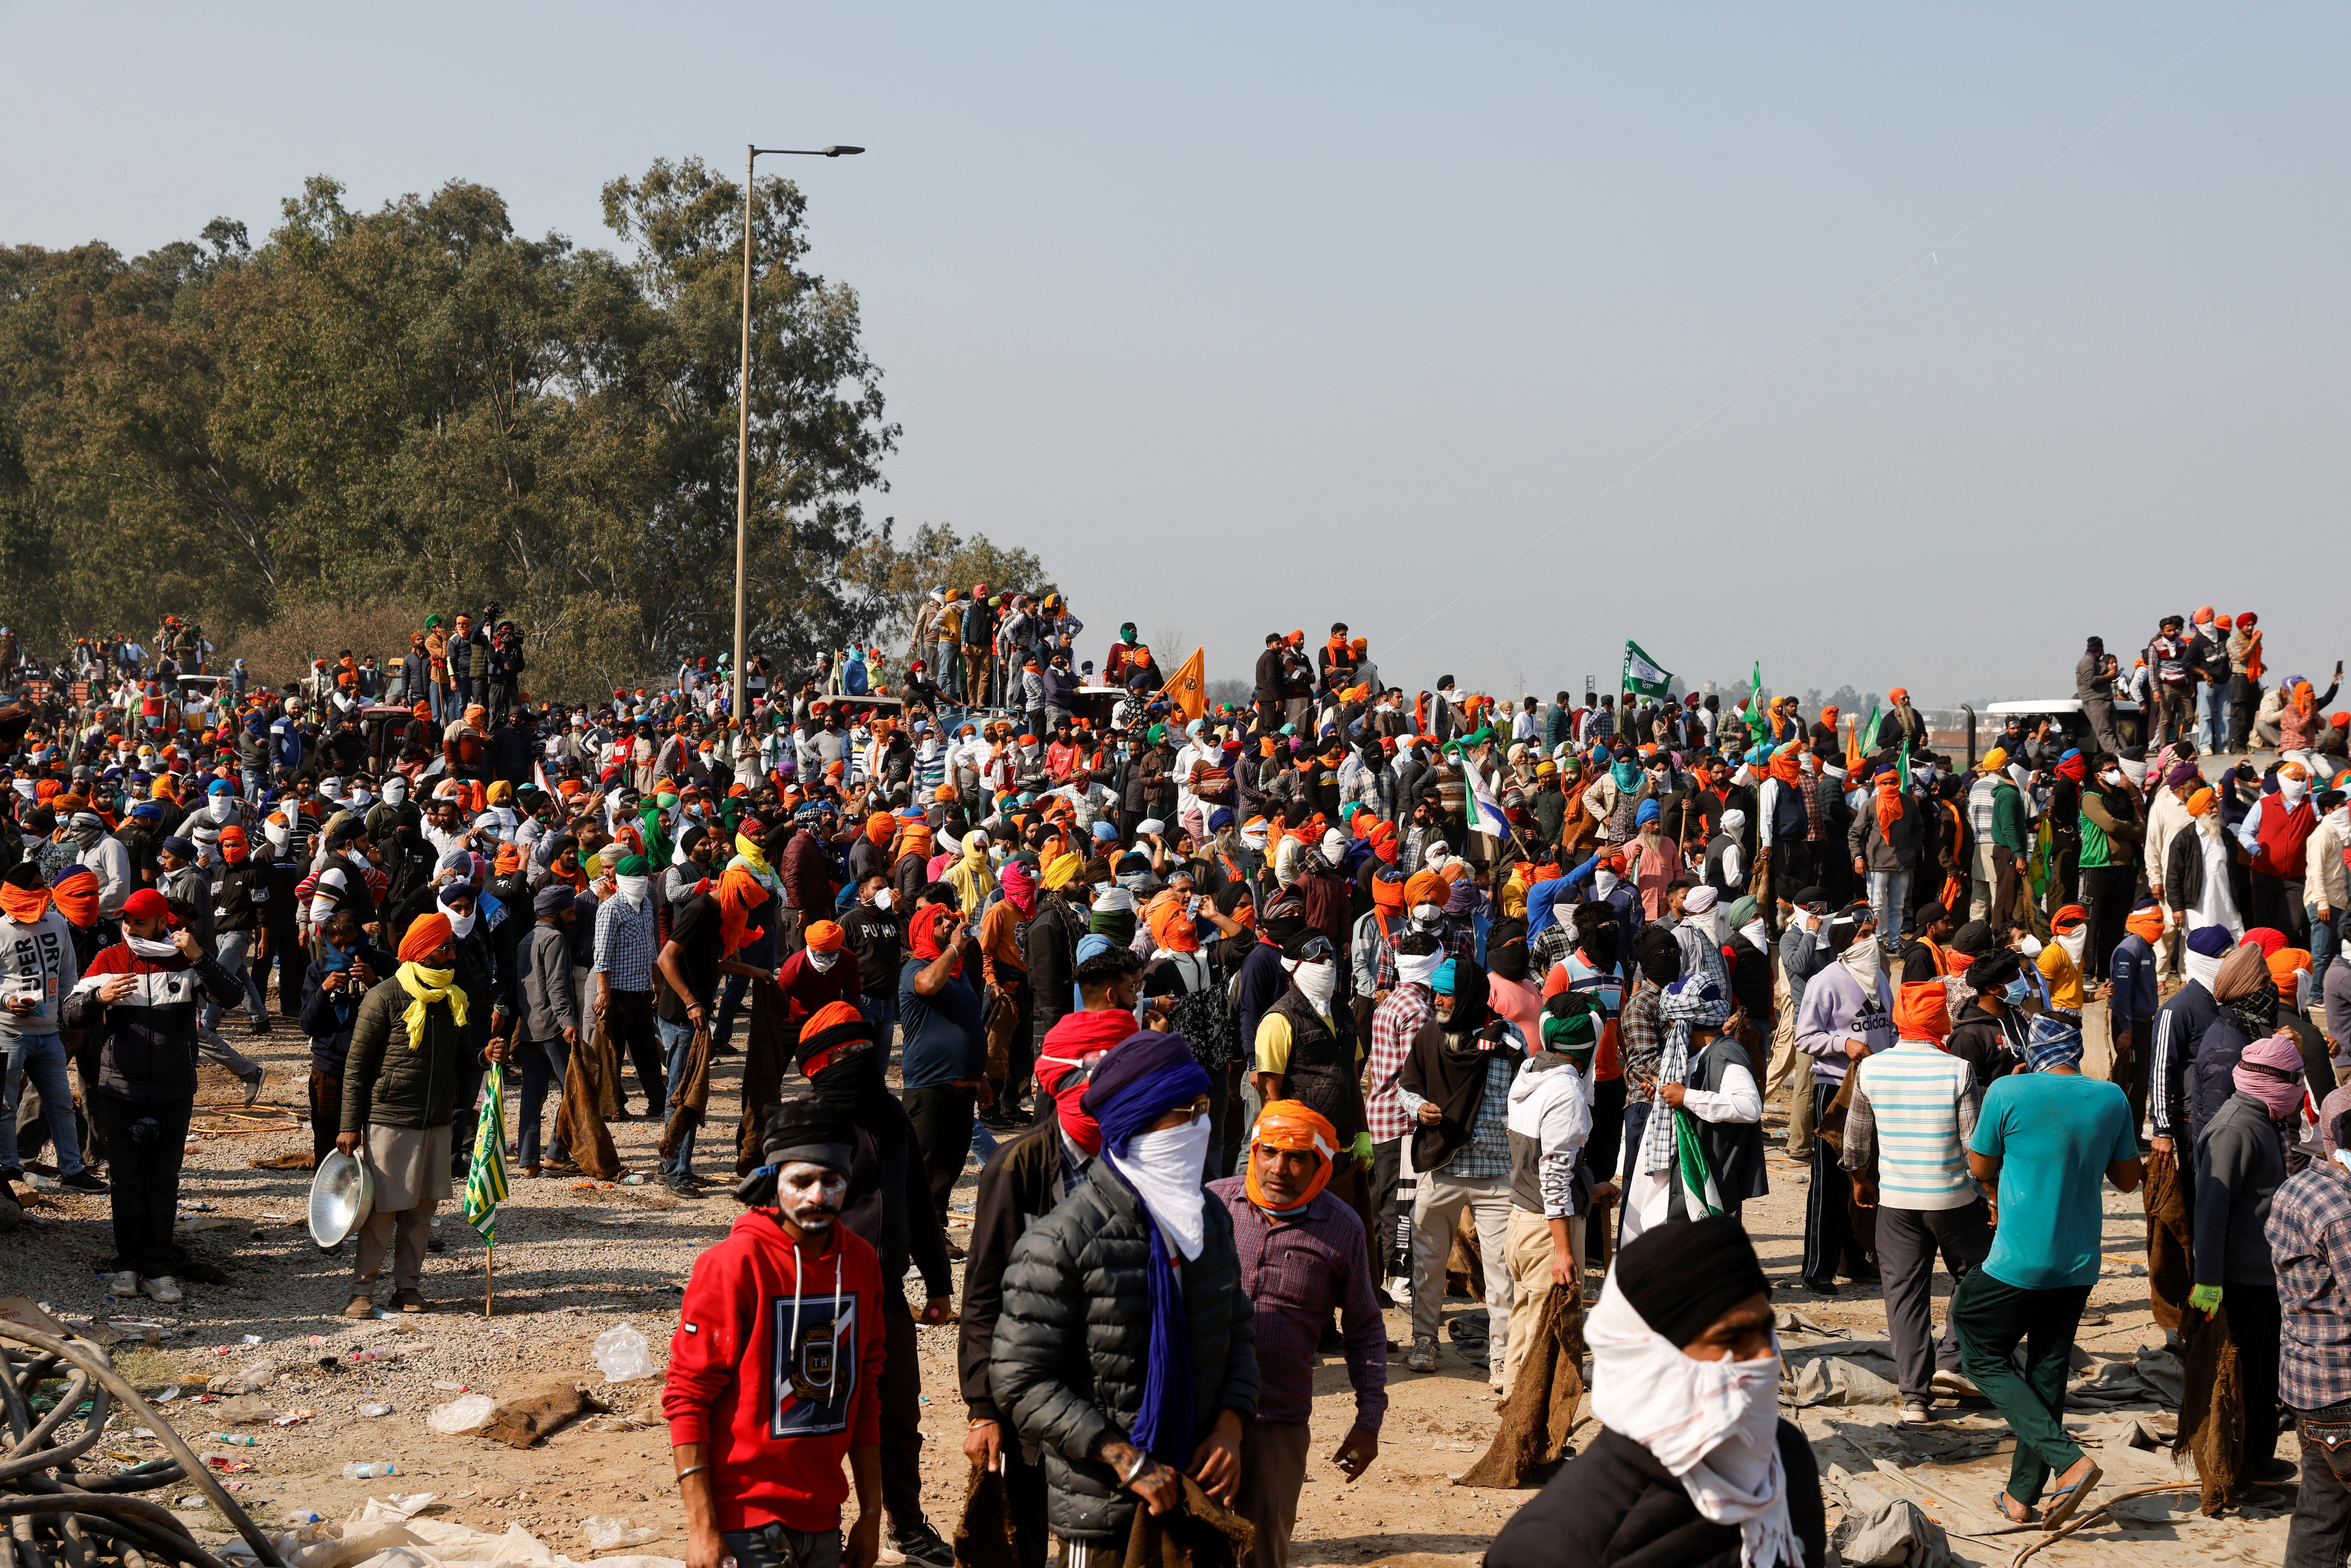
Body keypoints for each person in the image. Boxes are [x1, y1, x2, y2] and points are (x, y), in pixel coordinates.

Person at [990, 1030, 1257, 1564]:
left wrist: (1231, 1423)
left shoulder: (1207, 1218)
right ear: (1137, 1123)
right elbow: (1019, 1379)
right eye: (1188, 1112)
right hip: (1104, 1509)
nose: (1202, 1126)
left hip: (1196, 1493)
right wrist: (1123, 1458)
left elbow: (1238, 1329)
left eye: (1205, 1108)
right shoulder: (1062, 1239)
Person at [1485, 1215, 1825, 1568]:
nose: (1766, 1357)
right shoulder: (1552, 1548)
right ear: (1653, 1359)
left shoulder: (1785, 1457)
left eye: (1766, 1334)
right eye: (1732, 1340)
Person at [666, 1096, 887, 1568]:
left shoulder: (863, 1262)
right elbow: (688, 1395)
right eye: (802, 1181)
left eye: (832, 1180)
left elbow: (863, 1390)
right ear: (773, 1182)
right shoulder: (732, 1264)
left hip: (824, 1519)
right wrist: (703, 1527)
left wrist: (871, 1511)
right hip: (744, 1526)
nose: (817, 1196)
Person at [1958, 1014, 2143, 1527]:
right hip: (2078, 1262)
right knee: (2046, 1371)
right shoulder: (2111, 1098)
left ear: (2030, 1049)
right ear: (2076, 1050)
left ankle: (2070, 1461)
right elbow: (2128, 1180)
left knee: (1978, 1347)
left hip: (2017, 1260)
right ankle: (2021, 1496)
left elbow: (1978, 1168)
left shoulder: (2007, 1090)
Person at [792, 999, 959, 1567]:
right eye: (850, 1052)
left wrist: (939, 1282)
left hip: (887, 1301)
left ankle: (906, 1526)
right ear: (824, 1061)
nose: (864, 1059)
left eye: (869, 1048)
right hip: (819, 1306)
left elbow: (917, 1200)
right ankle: (815, 1530)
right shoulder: (808, 1128)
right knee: (815, 1421)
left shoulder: (893, 1119)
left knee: (898, 1420)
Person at [1209, 1101, 1385, 1568]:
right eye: (1269, 1152)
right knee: (1194, 1544)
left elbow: (1365, 1327)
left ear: (1320, 1164)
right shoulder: (1212, 1205)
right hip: (1200, 1414)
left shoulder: (1341, 1228)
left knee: (1263, 1551)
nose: (1279, 1168)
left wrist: (1368, 1420)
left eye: (1296, 1158)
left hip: (1278, 1420)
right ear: (1253, 1150)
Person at [61, 887, 243, 1303]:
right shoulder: (111, 958)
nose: (129, 927)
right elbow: (69, 1011)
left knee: (162, 1181)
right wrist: (98, 998)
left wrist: (200, 956)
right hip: (121, 1088)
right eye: (126, 920)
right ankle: (126, 1265)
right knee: (125, 1181)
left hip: (173, 1088)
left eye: (139, 921)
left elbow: (231, 996)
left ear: (163, 922)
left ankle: (160, 1268)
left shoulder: (185, 960)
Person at [336, 910, 511, 1315]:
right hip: (390, 1119)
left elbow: (461, 1058)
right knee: (382, 1212)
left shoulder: (454, 998)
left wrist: (484, 1056)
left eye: (451, 946)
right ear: (422, 952)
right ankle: (361, 1293)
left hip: (435, 1119)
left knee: (421, 1212)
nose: (452, 954)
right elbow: (357, 1067)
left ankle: (407, 1290)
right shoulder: (384, 997)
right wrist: (349, 1127)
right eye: (444, 948)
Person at [1841, 979, 1989, 1424]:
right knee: (1976, 1276)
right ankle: (1952, 1361)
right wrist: (1991, 1194)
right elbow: (1973, 1147)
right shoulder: (1958, 1070)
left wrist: (1860, 1183)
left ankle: (1914, 1398)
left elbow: (1854, 1145)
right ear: (1940, 1020)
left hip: (1897, 1200)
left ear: (1900, 1020)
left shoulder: (1871, 1069)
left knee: (1904, 1294)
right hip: (1954, 1198)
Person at [2188, 1029, 2304, 1500]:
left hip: (2265, 1276)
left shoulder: (2261, 1121)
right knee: (2238, 1382)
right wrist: (2208, 1282)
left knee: (2262, 1380)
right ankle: (2236, 1474)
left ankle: (2258, 1459)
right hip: (2239, 1280)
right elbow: (2210, 1213)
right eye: (2295, 1079)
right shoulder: (2235, 1127)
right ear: (2274, 1080)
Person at [1398, 958, 1523, 1386]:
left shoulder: (1508, 1039)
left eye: (1447, 992)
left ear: (1468, 993)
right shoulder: (1430, 1035)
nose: (1438, 999)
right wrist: (1419, 1109)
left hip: (1496, 1172)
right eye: (1436, 992)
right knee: (1428, 1263)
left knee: (1501, 1272)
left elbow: (1525, 1096)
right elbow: (1407, 1086)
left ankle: (1503, 1359)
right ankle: (1423, 1341)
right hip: (1443, 1165)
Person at [1500, 991, 1608, 1392]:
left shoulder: (1531, 1072)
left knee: (1526, 1330)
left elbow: (1540, 1161)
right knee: (1544, 1342)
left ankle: (1514, 1412)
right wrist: (1563, 1252)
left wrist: (1590, 1189)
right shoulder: (1567, 1094)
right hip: (1547, 1233)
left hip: (1521, 1224)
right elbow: (1552, 1176)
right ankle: (1528, 1437)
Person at [2268, 1086, 2351, 1566]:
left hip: (2307, 1382)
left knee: (2321, 1513)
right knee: (2326, 1521)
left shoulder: (2298, 1186)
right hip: (2342, 1388)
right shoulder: (2341, 1212)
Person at [1794, 904, 1892, 1294]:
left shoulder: (1880, 978)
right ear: (1843, 941)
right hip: (1837, 1089)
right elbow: (1806, 1038)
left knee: (1867, 1178)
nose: (1870, 940)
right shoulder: (1826, 980)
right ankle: (1818, 1268)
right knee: (1831, 1183)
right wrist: (1842, 1042)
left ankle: (1858, 1259)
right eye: (1862, 934)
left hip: (1878, 1087)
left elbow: (1890, 1028)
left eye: (1872, 933)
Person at [0, 864, 98, 1191]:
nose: (43, 893)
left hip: (50, 1032)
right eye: (35, 887)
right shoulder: (1, 931)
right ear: (16, 891)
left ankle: (72, 1170)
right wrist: (7, 1001)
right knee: (6, 1107)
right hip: (10, 1034)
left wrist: (72, 1017)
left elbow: (70, 974)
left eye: (45, 886)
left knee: (60, 1106)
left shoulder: (57, 923)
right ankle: (9, 1172)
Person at [898, 900, 987, 1224]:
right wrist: (952, 949)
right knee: (921, 1165)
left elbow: (970, 1023)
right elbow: (927, 986)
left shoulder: (958, 974)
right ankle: (906, 1235)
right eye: (941, 922)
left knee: (948, 1168)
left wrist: (982, 1076)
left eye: (951, 921)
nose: (951, 926)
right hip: (930, 1084)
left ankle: (934, 1233)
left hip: (963, 1088)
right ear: (924, 930)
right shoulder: (915, 968)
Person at [516, 885, 580, 1176]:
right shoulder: (554, 939)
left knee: (532, 1095)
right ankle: (556, 1154)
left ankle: (529, 1161)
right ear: (553, 914)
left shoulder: (526, 939)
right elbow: (557, 987)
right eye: (569, 912)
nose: (574, 917)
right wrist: (568, 1022)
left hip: (529, 1028)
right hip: (554, 1029)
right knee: (574, 1091)